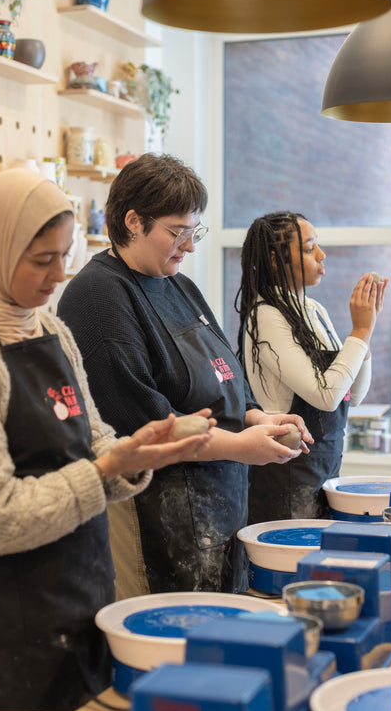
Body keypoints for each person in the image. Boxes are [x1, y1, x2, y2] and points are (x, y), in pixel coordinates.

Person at [0, 169, 214, 711]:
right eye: (43, 259)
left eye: (65, 256)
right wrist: (103, 470)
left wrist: (134, 452)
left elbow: (92, 441)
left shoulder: (50, 331)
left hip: (78, 592)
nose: (60, 274)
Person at [57, 154, 311, 599]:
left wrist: (256, 417)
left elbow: (225, 372)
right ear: (133, 221)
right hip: (153, 509)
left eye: (195, 231)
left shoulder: (178, 284)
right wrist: (240, 446)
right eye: (178, 232)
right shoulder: (98, 297)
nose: (190, 246)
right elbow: (144, 424)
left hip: (219, 499)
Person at [236, 211, 388, 523]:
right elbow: (326, 397)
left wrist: (366, 334)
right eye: (308, 248)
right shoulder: (266, 315)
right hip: (286, 478)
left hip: (324, 472)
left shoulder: (314, 310)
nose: (322, 254)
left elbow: (353, 396)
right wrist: (359, 331)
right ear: (275, 260)